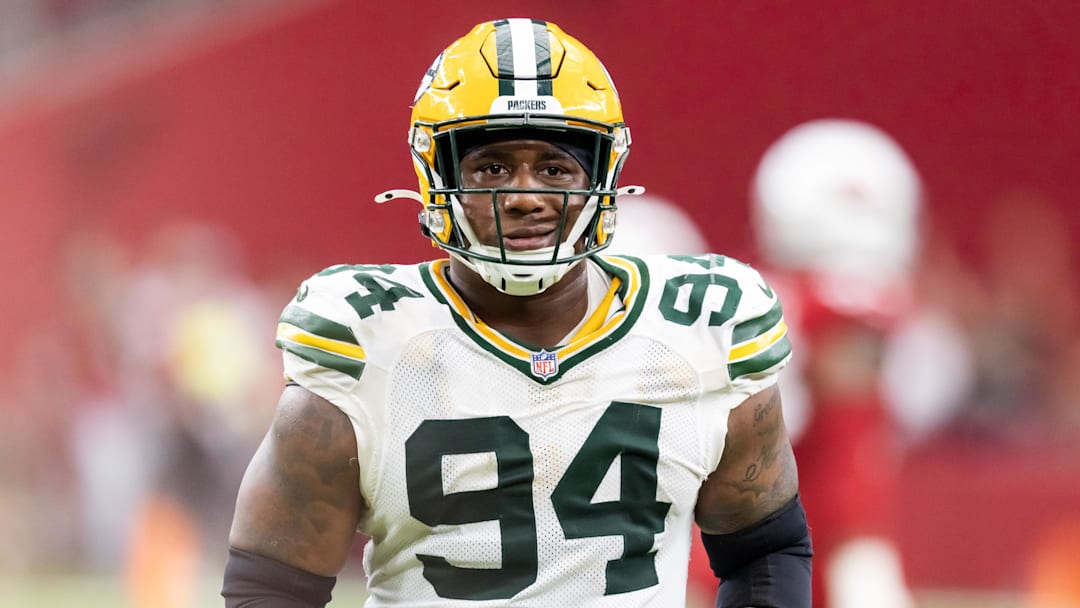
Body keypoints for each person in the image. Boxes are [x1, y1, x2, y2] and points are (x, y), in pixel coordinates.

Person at [222, 18, 810, 608]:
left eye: (554, 169)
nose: (526, 196)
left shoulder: (698, 331)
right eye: (493, 168)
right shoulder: (369, 343)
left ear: (601, 176)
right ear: (438, 174)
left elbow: (765, 550)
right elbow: (271, 587)